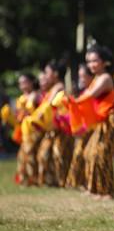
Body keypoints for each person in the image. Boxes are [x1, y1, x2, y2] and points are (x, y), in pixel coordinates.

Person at [81, 45, 114, 199]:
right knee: (90, 152)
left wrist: (72, 102)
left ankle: (107, 192)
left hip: (112, 118)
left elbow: (90, 95)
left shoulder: (105, 77)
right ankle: (98, 189)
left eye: (94, 61)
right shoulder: (96, 78)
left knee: (102, 153)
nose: (91, 65)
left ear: (105, 62)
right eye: (88, 61)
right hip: (102, 120)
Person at [36, 59, 74, 187]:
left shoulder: (59, 87)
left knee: (59, 154)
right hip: (53, 128)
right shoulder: (52, 89)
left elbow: (51, 107)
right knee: (47, 154)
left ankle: (63, 181)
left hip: (61, 128)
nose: (45, 76)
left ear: (56, 74)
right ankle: (54, 180)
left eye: (47, 72)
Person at [66, 64, 94, 189]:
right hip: (84, 129)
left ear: (91, 76)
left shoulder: (93, 91)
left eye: (84, 76)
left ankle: (90, 184)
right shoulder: (84, 92)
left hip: (93, 129)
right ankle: (80, 182)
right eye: (80, 76)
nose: (81, 79)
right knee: (78, 155)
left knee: (88, 155)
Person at [12, 73, 41, 185]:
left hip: (35, 130)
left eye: (24, 82)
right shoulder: (21, 98)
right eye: (20, 83)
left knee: (32, 154)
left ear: (32, 82)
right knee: (23, 156)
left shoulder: (36, 95)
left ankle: (35, 179)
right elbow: (18, 117)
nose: (22, 85)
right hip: (24, 131)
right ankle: (26, 179)